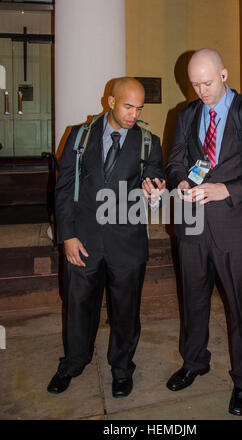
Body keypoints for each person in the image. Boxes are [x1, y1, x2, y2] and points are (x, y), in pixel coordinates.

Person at [165, 49, 242, 416]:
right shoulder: (185, 115)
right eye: (194, 84)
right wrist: (181, 181)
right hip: (192, 225)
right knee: (193, 299)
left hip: (237, 227)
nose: (201, 90)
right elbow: (174, 162)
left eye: (208, 82)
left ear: (225, 74)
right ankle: (194, 361)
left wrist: (226, 189)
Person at [47, 77, 165, 398]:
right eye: (128, 106)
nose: (134, 114)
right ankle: (74, 362)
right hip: (83, 240)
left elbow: (154, 176)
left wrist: (153, 189)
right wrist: (67, 236)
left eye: (139, 108)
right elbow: (63, 189)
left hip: (127, 243)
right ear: (110, 102)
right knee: (78, 306)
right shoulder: (79, 136)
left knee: (126, 311)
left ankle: (122, 368)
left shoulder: (148, 141)